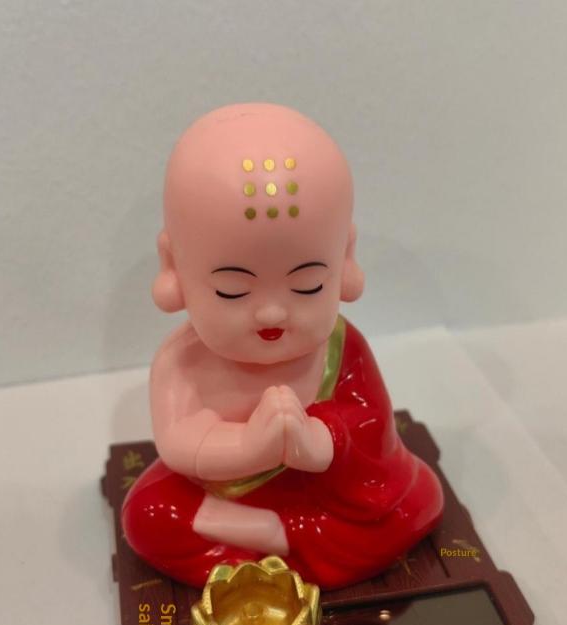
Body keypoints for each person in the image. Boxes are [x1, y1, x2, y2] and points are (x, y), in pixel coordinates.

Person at [121, 103, 443, 589]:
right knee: (150, 513)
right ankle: (274, 536)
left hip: (325, 492)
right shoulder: (183, 362)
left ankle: (267, 546)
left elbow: (371, 426)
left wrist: (320, 442)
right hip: (231, 496)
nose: (271, 313)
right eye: (232, 290)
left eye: (308, 285)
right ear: (175, 268)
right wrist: (250, 446)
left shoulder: (341, 347)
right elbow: (181, 446)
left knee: (418, 499)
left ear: (344, 259)